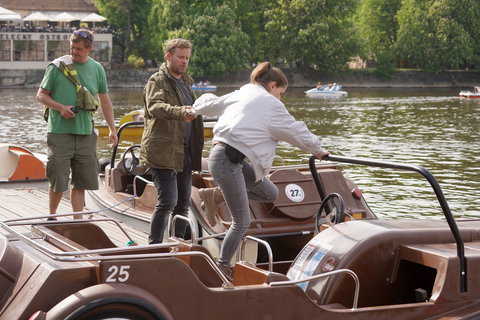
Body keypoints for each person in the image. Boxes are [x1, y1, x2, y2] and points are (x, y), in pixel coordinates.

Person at [192, 62, 330, 278]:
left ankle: (214, 195)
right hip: (226, 160)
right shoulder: (269, 103)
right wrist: (318, 149)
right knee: (242, 222)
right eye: (281, 92)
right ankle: (222, 266)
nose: (280, 98)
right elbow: (294, 130)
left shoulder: (243, 93)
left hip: (228, 159)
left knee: (270, 193)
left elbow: (212, 103)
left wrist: (194, 109)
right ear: (273, 85)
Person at [36, 29, 118, 220]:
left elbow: (105, 101)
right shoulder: (57, 67)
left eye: (79, 49)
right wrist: (60, 108)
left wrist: (113, 129)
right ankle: (52, 216)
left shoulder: (97, 69)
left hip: (85, 134)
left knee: (81, 181)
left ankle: (77, 220)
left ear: (90, 48)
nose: (74, 52)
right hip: (59, 132)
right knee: (58, 180)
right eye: (72, 47)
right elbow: (41, 95)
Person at [140, 38, 204, 244]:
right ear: (168, 56)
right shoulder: (156, 81)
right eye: (180, 57)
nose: (184, 62)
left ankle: (178, 243)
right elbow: (154, 107)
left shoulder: (187, 82)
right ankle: (154, 245)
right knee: (168, 201)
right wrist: (179, 112)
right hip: (162, 150)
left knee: (183, 203)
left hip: (184, 151)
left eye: (187, 58)